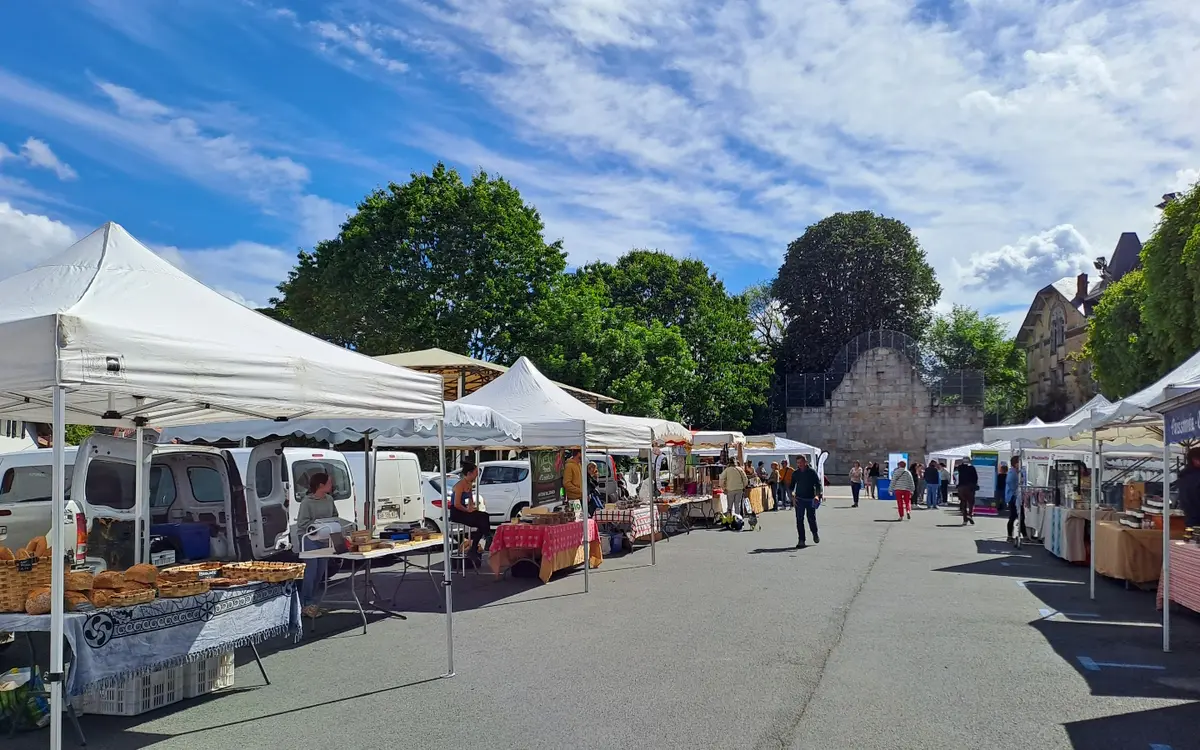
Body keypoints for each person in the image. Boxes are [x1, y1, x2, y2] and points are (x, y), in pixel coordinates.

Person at [296, 472, 336, 618]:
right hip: (310, 539)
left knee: (320, 572)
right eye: (329, 483)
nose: (332, 486)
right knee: (310, 572)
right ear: (320, 485)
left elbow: (334, 515)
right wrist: (318, 524)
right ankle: (305, 604)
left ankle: (313, 602)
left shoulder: (329, 499)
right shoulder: (307, 502)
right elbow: (302, 523)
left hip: (325, 539)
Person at [451, 459, 493, 563]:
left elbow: (470, 501)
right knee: (482, 521)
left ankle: (475, 547)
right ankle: (486, 539)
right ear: (469, 473)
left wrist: (472, 508)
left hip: (464, 510)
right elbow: (456, 504)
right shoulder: (460, 485)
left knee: (484, 517)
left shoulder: (469, 484)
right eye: (475, 474)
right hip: (457, 512)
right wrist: (467, 510)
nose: (476, 477)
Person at [789, 455, 823, 548]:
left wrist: (817, 496)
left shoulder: (812, 472)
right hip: (799, 499)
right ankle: (801, 540)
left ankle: (815, 533)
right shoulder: (796, 473)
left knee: (811, 518)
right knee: (799, 520)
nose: (799, 464)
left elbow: (818, 485)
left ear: (805, 462)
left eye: (801, 462)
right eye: (798, 463)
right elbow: (791, 487)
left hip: (810, 499)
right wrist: (792, 495)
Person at [1005, 456, 1026, 544]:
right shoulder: (1012, 472)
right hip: (1013, 497)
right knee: (1014, 517)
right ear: (1016, 463)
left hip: (1016, 497)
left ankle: (1023, 535)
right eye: (1019, 462)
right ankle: (1011, 536)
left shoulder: (1018, 471)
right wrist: (1015, 490)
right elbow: (1009, 482)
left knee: (1020, 517)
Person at [1179, 447, 1200, 527]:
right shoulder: (1194, 476)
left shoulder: (1184, 475)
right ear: (1195, 460)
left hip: (1190, 519)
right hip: (1196, 518)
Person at [957, 458, 979, 525]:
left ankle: (965, 520)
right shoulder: (972, 468)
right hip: (970, 487)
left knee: (963, 502)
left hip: (961, 487)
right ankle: (970, 514)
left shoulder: (960, 468)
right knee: (971, 502)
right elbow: (975, 478)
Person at [564, 450, 584, 514]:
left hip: (581, 497)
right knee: (576, 517)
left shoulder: (579, 465)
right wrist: (579, 490)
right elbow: (566, 483)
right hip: (573, 498)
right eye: (583, 452)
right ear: (578, 454)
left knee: (581, 517)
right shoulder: (569, 466)